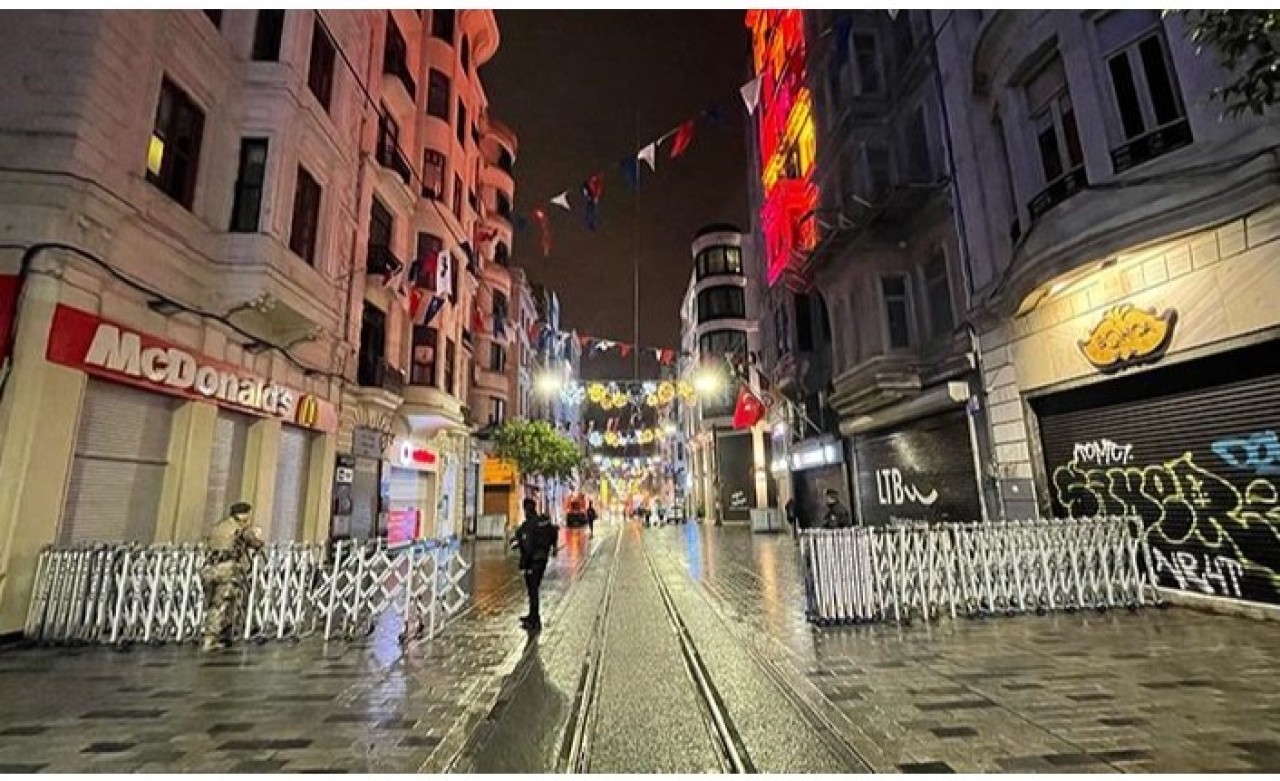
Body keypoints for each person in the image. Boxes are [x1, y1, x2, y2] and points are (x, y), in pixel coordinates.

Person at [200, 501, 264, 652]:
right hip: (227, 569)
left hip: (208, 569)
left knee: (212, 604)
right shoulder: (240, 529)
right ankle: (212, 639)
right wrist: (258, 540)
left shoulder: (218, 527)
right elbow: (254, 543)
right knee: (222, 604)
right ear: (244, 514)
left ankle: (219, 634)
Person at [512, 498, 558, 632]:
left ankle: (535, 620)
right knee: (534, 590)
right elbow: (554, 532)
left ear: (526, 509)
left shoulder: (528, 525)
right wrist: (552, 548)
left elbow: (527, 546)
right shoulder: (542, 522)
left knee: (533, 591)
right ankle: (532, 615)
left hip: (533, 562)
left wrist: (523, 564)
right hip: (543, 560)